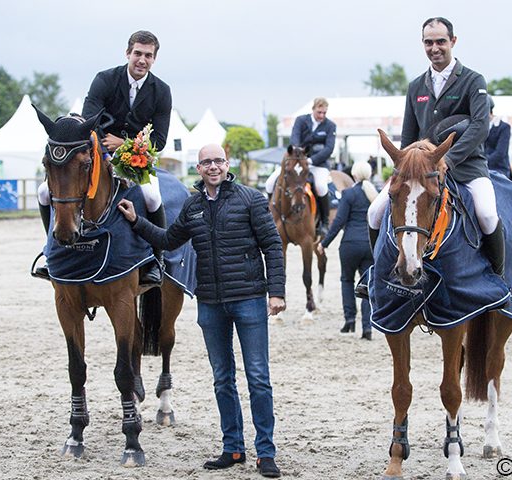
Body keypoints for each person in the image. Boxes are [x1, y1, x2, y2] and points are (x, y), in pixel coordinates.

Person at [117, 144, 286, 478]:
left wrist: (276, 292)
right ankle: (233, 447)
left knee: (258, 378)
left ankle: (265, 452)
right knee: (222, 379)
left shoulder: (250, 199)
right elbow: (168, 240)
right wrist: (137, 222)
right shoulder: (193, 206)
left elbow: (272, 245)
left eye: (218, 161)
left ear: (227, 165)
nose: (213, 167)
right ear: (198, 168)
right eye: (207, 162)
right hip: (210, 302)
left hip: (249, 299)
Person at [367, 17, 505, 277]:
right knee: (375, 212)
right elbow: (409, 136)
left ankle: (498, 279)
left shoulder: (474, 81)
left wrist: (448, 160)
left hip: (467, 167)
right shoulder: (416, 86)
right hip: (419, 172)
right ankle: (377, 275)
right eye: (429, 42)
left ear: (453, 41)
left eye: (441, 41)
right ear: (423, 44)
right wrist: (404, 167)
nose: (435, 47)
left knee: (487, 215)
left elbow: (479, 127)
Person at [34, 30, 171, 285]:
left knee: (152, 196)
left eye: (148, 56)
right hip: (98, 152)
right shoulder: (105, 79)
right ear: (128, 53)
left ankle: (156, 259)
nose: (142, 60)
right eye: (138, 54)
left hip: (135, 157)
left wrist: (125, 145)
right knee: (43, 192)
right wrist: (105, 152)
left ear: (154, 59)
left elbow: (160, 139)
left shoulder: (161, 91)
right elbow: (88, 120)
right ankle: (50, 250)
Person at [317, 160, 378, 340]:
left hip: (349, 245)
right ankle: (367, 327)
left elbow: (338, 222)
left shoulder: (348, 194)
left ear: (354, 175)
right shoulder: (375, 194)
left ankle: (349, 321)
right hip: (369, 246)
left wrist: (324, 243)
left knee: (347, 281)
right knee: (367, 286)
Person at [265, 97, 337, 236]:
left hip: (317, 164)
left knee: (321, 187)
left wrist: (311, 160)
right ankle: (270, 217)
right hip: (296, 161)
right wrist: (300, 159)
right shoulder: (301, 120)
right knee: (269, 183)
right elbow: (294, 140)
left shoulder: (330, 126)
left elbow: (329, 148)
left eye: (324, 113)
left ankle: (324, 222)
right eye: (319, 112)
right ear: (313, 109)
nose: (322, 116)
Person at [484, 96, 512, 181]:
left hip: (498, 168)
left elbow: (500, 153)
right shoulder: (478, 127)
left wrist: (483, 162)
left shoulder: (504, 127)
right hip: (480, 166)